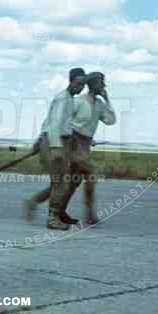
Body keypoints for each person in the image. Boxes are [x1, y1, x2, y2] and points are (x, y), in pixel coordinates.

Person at [25, 71, 116, 227]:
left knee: (72, 180)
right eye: (100, 82)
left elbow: (110, 120)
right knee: (89, 174)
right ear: (92, 84)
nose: (103, 85)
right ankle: (88, 214)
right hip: (71, 143)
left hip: (84, 145)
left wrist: (107, 98)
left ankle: (40, 204)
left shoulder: (100, 105)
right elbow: (58, 121)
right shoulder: (78, 101)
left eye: (103, 82)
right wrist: (46, 140)